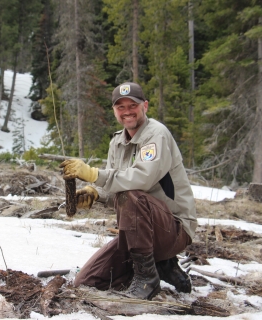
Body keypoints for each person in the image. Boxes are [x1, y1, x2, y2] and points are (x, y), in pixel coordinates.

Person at [60, 82, 197, 300]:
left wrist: (95, 175)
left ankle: (147, 280)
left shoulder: (156, 135)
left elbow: (141, 179)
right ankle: (161, 265)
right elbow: (118, 188)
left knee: (131, 195)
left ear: (145, 106)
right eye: (120, 107)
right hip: (140, 233)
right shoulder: (117, 142)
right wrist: (97, 194)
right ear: (114, 111)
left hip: (174, 228)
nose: (127, 112)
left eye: (132, 105)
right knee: (88, 281)